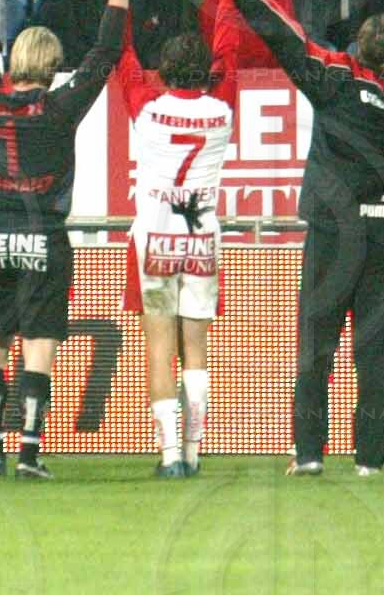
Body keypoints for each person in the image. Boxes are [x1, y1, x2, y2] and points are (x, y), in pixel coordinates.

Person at [216, 0, 384, 476]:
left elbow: (290, 41)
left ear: (359, 53)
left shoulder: (339, 83)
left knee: (317, 346)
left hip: (332, 230)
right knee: (374, 351)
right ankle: (370, 459)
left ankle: (309, 455)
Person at [0, 0, 133, 479]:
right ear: (53, 64)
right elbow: (105, 52)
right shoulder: (60, 108)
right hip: (44, 235)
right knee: (39, 340)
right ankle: (29, 452)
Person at [124, 28, 230, 479]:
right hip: (202, 236)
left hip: (155, 236)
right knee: (197, 350)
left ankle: (169, 458)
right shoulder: (223, 111)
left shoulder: (148, 109)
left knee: (159, 347)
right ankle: (192, 450)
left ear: (163, 72)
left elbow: (122, 56)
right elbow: (230, 54)